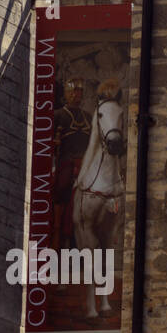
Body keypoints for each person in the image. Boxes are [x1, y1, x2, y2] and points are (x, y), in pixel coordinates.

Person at [52, 77, 91, 246]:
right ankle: (58, 222)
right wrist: (54, 143)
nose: (77, 95)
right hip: (67, 161)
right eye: (73, 91)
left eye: (79, 91)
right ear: (66, 94)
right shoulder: (58, 115)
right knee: (62, 186)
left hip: (87, 164)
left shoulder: (88, 116)